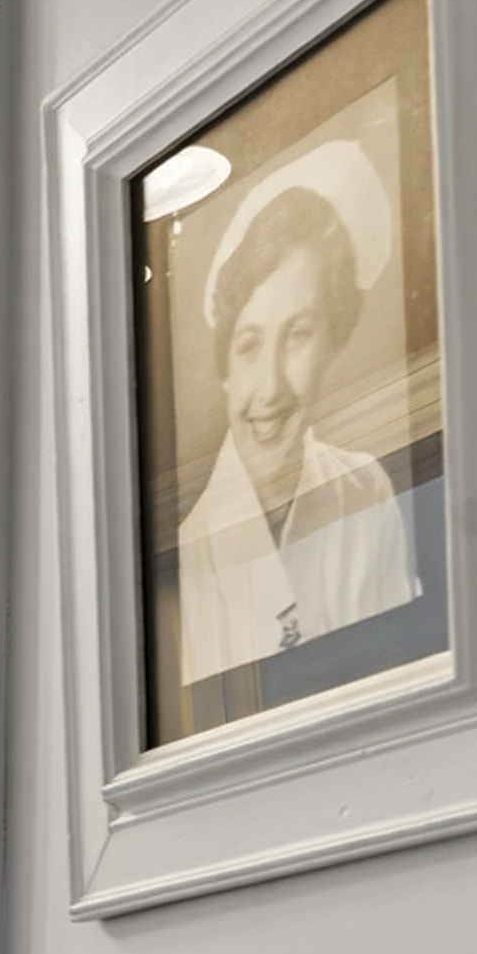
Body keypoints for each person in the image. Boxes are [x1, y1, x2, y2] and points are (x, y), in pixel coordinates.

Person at [172, 139, 423, 686]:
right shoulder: (186, 549)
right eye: (249, 344)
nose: (270, 388)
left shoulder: (366, 491)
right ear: (224, 366)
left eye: (299, 335)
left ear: (333, 343)